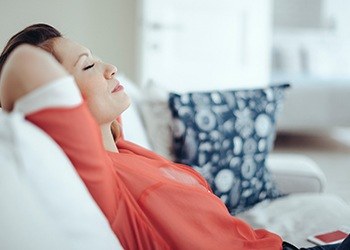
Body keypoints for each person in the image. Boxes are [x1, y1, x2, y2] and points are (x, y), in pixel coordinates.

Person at [0, 23, 348, 250]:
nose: (110, 68)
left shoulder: (125, 149)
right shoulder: (103, 180)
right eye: (88, 66)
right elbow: (26, 67)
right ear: (64, 101)